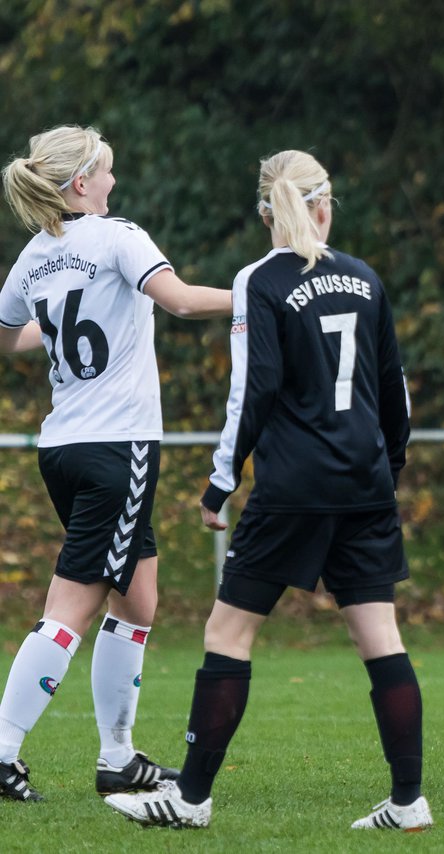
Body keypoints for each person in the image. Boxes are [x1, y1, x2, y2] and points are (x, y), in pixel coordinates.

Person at [102, 150, 428, 831]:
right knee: (380, 635)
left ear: (265, 213)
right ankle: (408, 801)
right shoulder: (367, 279)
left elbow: (253, 390)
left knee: (227, 631)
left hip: (294, 488)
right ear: (325, 205)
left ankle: (189, 800)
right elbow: (394, 391)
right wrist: (387, 468)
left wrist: (221, 481)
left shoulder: (260, 280)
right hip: (365, 485)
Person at [0, 125, 233, 803]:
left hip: (63, 447)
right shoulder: (119, 234)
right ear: (81, 184)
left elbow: (10, 338)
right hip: (117, 448)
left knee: (139, 596)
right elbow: (183, 300)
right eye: (106, 171)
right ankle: (4, 751)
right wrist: (258, 292)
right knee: (71, 605)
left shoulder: (37, 256)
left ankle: (117, 759)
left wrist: (67, 319)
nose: (113, 182)